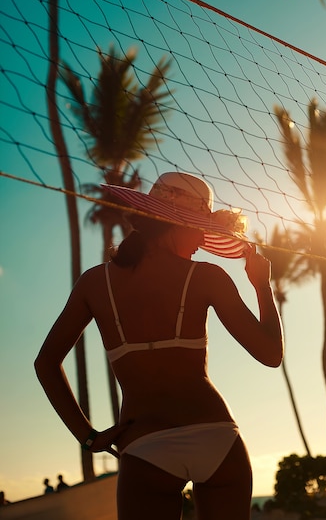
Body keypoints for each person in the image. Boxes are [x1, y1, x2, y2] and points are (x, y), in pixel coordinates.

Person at [35, 172, 284, 520]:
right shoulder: (206, 277)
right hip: (215, 437)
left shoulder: (95, 282)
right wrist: (262, 287)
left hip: (144, 444)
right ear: (177, 224)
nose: (201, 240)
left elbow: (45, 363)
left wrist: (87, 436)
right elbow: (271, 354)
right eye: (199, 227)